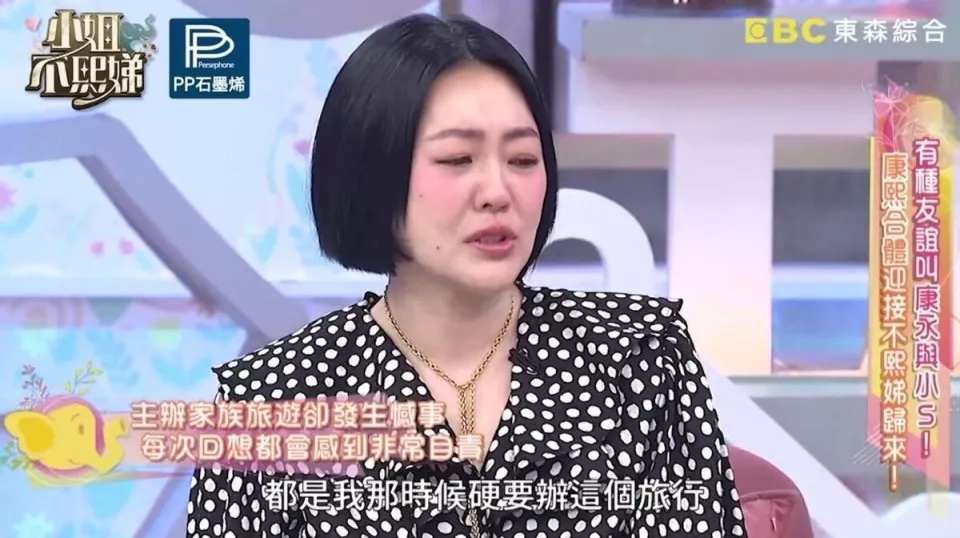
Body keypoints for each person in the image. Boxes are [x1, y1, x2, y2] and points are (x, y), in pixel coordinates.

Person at [185, 13, 748, 538]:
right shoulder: (270, 398)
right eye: (458, 159)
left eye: (522, 160)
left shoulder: (640, 354)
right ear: (371, 174)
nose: (498, 193)